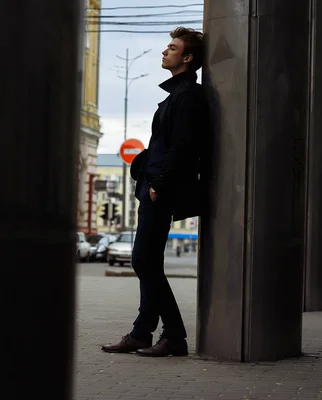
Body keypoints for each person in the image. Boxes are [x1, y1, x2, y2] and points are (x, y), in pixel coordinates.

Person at [102, 27, 209, 357]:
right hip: (153, 186)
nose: (165, 51)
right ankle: (142, 332)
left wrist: (158, 184)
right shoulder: (177, 94)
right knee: (147, 261)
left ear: (187, 58)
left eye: (172, 48)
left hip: (162, 189)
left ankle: (174, 334)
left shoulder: (188, 95)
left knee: (143, 261)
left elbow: (183, 146)